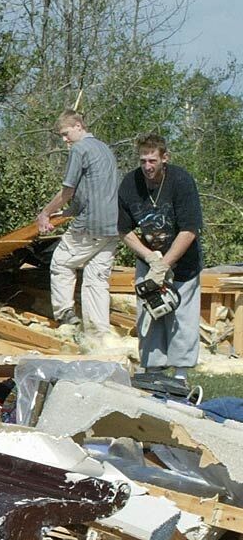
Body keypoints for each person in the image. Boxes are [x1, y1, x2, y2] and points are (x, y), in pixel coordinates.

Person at [117, 133, 203, 376]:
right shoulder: (129, 184)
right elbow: (124, 230)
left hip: (183, 260)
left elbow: (190, 230)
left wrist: (164, 265)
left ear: (165, 158)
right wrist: (150, 259)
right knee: (150, 312)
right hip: (149, 257)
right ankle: (152, 371)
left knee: (182, 317)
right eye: (143, 160)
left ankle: (180, 375)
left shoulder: (181, 181)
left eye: (152, 160)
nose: (147, 166)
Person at [35, 110, 120, 337]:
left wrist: (45, 213)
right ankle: (99, 334)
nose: (64, 140)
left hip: (90, 225)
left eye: (66, 133)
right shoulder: (104, 149)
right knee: (96, 280)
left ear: (79, 125)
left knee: (61, 263)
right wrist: (64, 213)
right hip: (113, 226)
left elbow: (68, 190)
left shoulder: (80, 149)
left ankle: (65, 315)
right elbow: (92, 192)